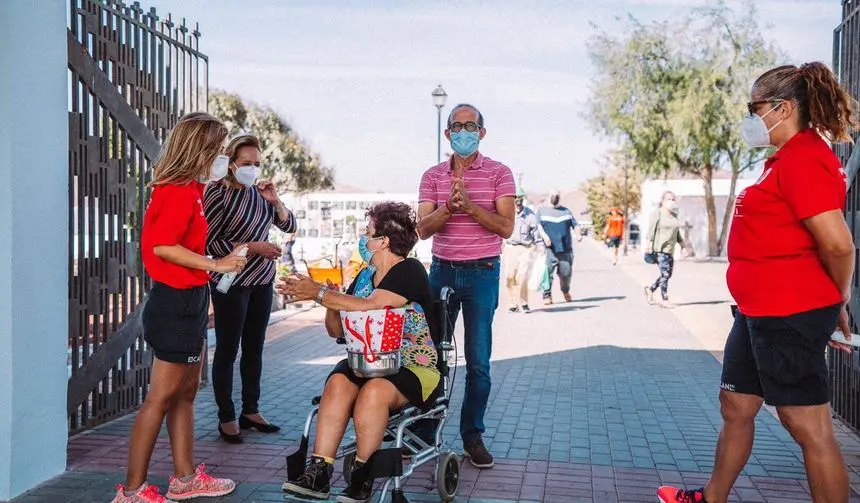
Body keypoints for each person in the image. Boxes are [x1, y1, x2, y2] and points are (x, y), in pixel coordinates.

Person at [657, 62, 856, 503]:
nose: (750, 117)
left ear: (782, 109)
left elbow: (839, 246)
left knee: (807, 427)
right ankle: (711, 498)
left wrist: (833, 298)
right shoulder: (781, 160)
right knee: (736, 406)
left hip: (788, 312)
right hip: (756, 311)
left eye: (754, 107)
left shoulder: (805, 158)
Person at [112, 112, 244, 503]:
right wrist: (217, 265)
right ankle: (132, 491)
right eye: (219, 150)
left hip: (189, 300)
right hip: (172, 303)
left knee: (185, 394)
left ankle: (186, 479)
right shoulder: (174, 191)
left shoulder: (192, 191)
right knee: (160, 399)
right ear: (199, 148)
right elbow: (163, 247)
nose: (224, 158)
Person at [278, 202, 440, 503]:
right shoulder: (364, 277)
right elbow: (337, 331)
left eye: (368, 232)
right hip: (365, 360)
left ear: (383, 241)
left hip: (411, 365)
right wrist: (327, 302)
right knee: (337, 383)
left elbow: (370, 306)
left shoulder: (410, 269)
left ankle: (362, 479)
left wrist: (319, 293)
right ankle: (319, 473)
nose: (364, 239)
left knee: (374, 392)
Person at [417, 103, 515, 468]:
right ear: (447, 134)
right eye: (456, 126)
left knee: (478, 361)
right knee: (430, 357)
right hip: (441, 271)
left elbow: (506, 227)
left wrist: (471, 207)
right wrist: (447, 209)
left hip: (482, 273)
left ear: (482, 132)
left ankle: (472, 436)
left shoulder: (500, 173)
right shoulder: (432, 176)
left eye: (470, 126)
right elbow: (422, 229)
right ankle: (425, 431)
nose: (463, 132)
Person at [204, 134, 297, 444]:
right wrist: (253, 247)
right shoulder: (217, 192)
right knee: (228, 350)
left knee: (255, 348)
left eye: (257, 164)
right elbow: (211, 243)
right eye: (246, 164)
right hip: (230, 283)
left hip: (261, 281)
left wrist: (276, 202)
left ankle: (251, 410)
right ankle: (226, 416)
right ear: (231, 164)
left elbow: (289, 225)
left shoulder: (261, 194)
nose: (253, 169)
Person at [503, 186, 545, 313]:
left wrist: (540, 248)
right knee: (510, 277)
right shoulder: (506, 213)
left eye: (520, 198)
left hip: (526, 248)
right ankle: (513, 303)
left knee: (522, 276)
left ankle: (524, 302)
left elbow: (536, 234)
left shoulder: (530, 215)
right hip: (510, 248)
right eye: (516, 199)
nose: (518, 202)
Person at [644, 191, 684, 308]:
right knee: (665, 274)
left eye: (673, 199)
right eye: (668, 199)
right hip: (659, 249)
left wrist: (683, 246)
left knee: (667, 275)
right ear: (662, 201)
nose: (671, 202)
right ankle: (664, 300)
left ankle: (650, 289)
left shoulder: (674, 215)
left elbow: (677, 233)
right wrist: (648, 244)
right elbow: (651, 230)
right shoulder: (657, 213)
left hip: (670, 250)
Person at [537, 190, 577, 305]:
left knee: (566, 273)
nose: (554, 197)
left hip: (565, 250)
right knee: (547, 273)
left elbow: (575, 224)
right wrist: (545, 237)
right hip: (550, 249)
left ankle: (565, 291)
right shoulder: (542, 211)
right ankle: (547, 295)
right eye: (552, 195)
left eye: (557, 196)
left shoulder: (566, 212)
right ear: (549, 197)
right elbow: (539, 226)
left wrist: (578, 233)